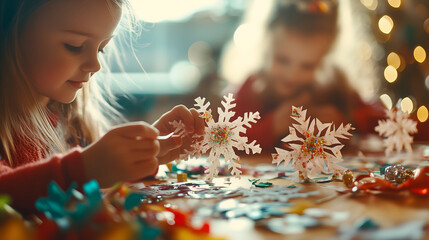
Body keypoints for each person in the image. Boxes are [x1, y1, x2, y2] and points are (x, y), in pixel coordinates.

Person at [0, 0, 204, 215]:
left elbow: (96, 185)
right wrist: (82, 170)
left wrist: (147, 153)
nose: (95, 65)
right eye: (74, 46)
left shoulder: (73, 123)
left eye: (101, 49)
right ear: (7, 34)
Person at [230, 0, 387, 153]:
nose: (292, 75)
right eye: (282, 60)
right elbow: (227, 137)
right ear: (267, 44)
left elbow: (385, 122)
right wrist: (275, 125)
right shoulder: (253, 88)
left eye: (308, 66)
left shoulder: (336, 85)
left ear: (324, 60)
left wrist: (349, 123)